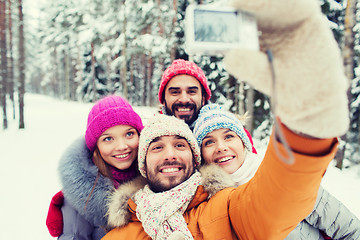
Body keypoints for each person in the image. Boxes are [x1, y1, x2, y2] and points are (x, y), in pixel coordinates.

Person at [102, 0, 351, 238]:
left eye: (180, 145)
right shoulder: (129, 224)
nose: (170, 155)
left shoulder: (226, 206)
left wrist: (308, 114)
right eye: (174, 91)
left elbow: (280, 193)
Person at [193, 104, 360, 240]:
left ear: (243, 143)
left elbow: (347, 229)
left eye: (229, 136)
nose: (221, 147)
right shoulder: (205, 204)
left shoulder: (279, 177)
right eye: (209, 142)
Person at [46, 95, 146, 239]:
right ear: (96, 146)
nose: (122, 146)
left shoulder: (153, 177)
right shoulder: (82, 198)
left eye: (129, 134)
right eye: (108, 139)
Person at [158, 58, 211, 127]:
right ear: (164, 99)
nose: (184, 99)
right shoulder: (149, 135)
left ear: (203, 98)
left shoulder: (224, 134)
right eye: (175, 92)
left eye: (192, 92)